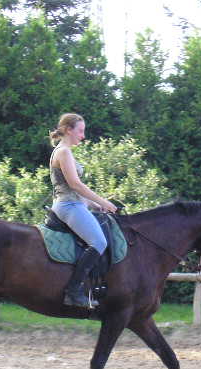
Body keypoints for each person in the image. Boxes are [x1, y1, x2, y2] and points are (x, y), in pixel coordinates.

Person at [49, 113, 117, 308]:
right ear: (68, 130)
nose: (83, 136)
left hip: (74, 203)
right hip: (68, 205)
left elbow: (73, 189)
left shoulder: (64, 151)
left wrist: (94, 204)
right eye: (80, 131)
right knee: (99, 242)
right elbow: (75, 184)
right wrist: (103, 201)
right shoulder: (63, 152)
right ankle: (73, 292)